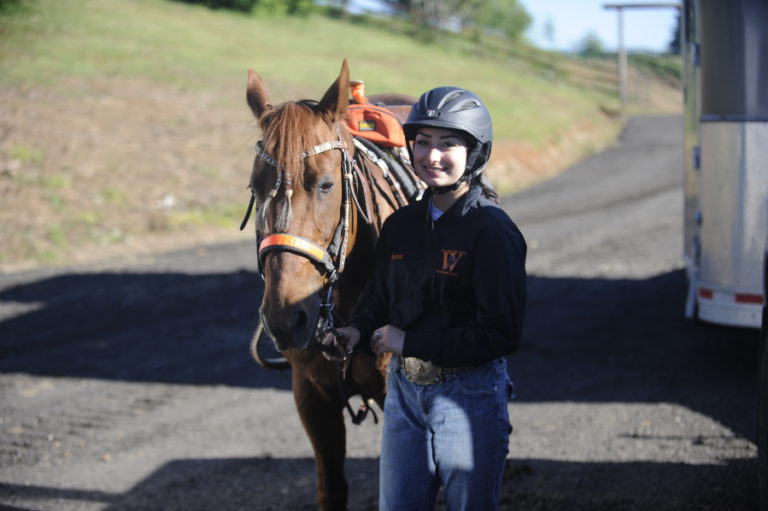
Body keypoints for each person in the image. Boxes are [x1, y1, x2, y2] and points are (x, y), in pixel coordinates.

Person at [322, 86, 527, 510]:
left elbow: (500, 335)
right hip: (404, 393)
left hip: (468, 396)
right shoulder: (400, 225)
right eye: (423, 142)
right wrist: (352, 332)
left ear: (475, 152)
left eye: (448, 143)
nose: (432, 156)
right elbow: (378, 300)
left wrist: (409, 342)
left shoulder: (492, 232)